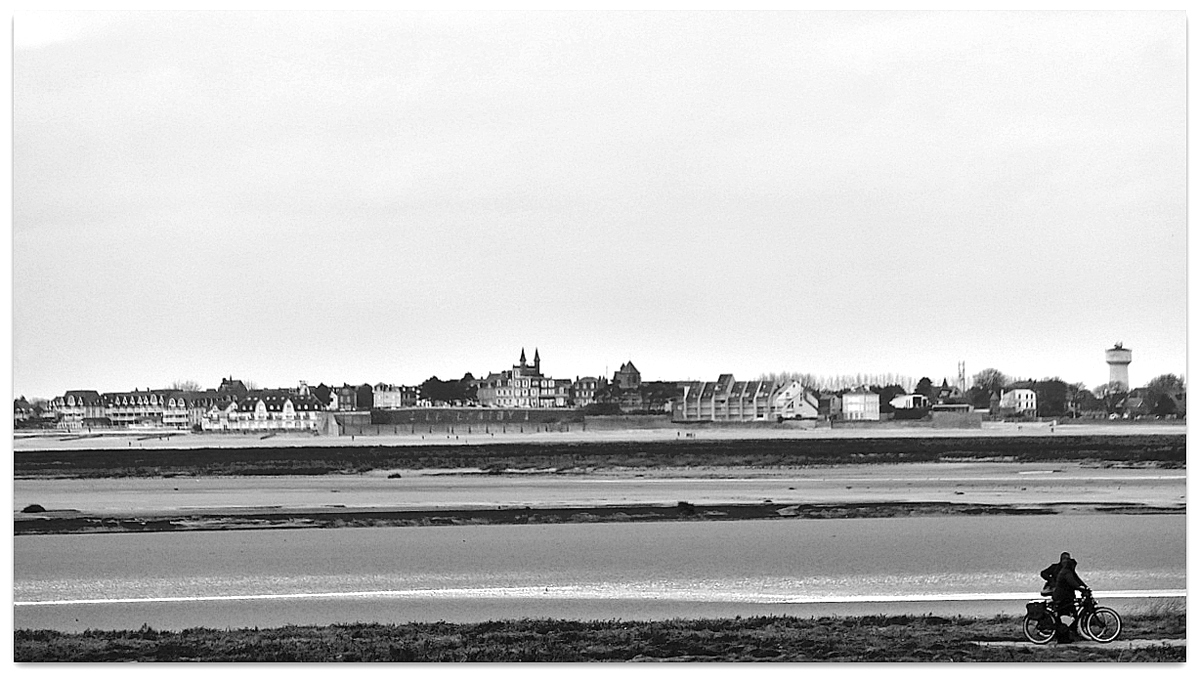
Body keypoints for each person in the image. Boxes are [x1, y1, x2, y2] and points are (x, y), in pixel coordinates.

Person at [1040, 552, 1090, 641]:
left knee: (1072, 614)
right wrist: (1051, 580)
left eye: (1067, 559)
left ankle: (1072, 633)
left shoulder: (1069, 570)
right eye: (1064, 559)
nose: (1066, 561)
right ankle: (1062, 634)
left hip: (1068, 595)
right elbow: (1043, 573)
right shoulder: (1056, 568)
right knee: (1063, 615)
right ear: (1061, 559)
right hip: (1060, 595)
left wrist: (1085, 587)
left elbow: (1077, 580)